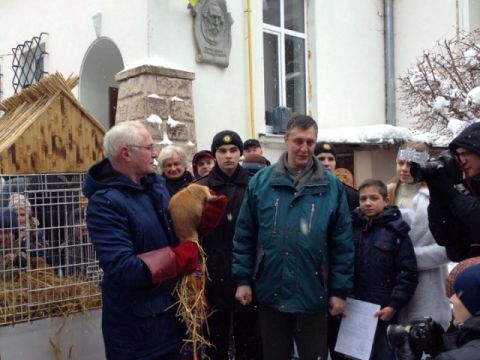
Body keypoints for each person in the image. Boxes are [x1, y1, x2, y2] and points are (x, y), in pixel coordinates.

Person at [232, 115, 354, 360]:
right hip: (271, 290)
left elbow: (342, 243)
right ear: (285, 139)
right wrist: (243, 279)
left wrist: (339, 291)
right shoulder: (261, 183)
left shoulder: (331, 187)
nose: (304, 148)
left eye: (310, 142)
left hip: (313, 292)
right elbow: (245, 235)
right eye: (298, 141)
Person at [82, 120, 199, 360]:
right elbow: (123, 268)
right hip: (136, 334)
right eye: (148, 147)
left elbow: (172, 235)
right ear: (126, 153)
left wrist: (200, 221)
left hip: (168, 319)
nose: (155, 153)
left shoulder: (154, 188)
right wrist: (177, 259)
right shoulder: (105, 203)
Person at [196, 130, 261, 360]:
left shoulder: (255, 186)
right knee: (216, 342)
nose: (228, 156)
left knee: (250, 341)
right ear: (215, 155)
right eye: (222, 151)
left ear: (240, 154)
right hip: (213, 274)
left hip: (248, 272)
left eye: (233, 150)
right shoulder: (200, 189)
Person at [387, 142, 451, 331]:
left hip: (427, 288)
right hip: (391, 285)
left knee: (423, 340)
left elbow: (450, 249)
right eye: (401, 163)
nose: (404, 169)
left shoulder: (437, 197)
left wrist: (409, 258)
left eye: (411, 164)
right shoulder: (386, 193)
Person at [352, 179, 418, 359]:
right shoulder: (351, 228)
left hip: (383, 310)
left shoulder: (396, 231)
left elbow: (408, 273)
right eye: (363, 199)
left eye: (373, 198)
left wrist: (394, 305)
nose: (367, 203)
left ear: (386, 201)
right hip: (353, 308)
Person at [428, 122, 480, 261]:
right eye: (457, 155)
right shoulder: (466, 185)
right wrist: (437, 190)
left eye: (465, 154)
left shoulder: (458, 194)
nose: (461, 161)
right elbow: (445, 237)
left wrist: (449, 192)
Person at [314, 141, 359, 211]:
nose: (326, 163)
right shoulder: (302, 191)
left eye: (331, 159)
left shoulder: (350, 195)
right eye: (321, 159)